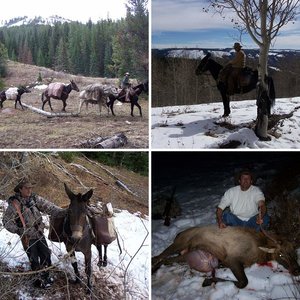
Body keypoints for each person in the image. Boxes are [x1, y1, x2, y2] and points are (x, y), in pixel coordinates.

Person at [2, 178, 66, 288]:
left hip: (39, 233)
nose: (29, 190)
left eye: (30, 188)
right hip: (27, 237)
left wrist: (63, 212)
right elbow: (6, 222)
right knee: (34, 259)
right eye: (27, 188)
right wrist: (19, 230)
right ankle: (38, 281)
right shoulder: (15, 204)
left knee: (46, 255)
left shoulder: (34, 199)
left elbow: (49, 207)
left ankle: (46, 277)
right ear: (20, 189)